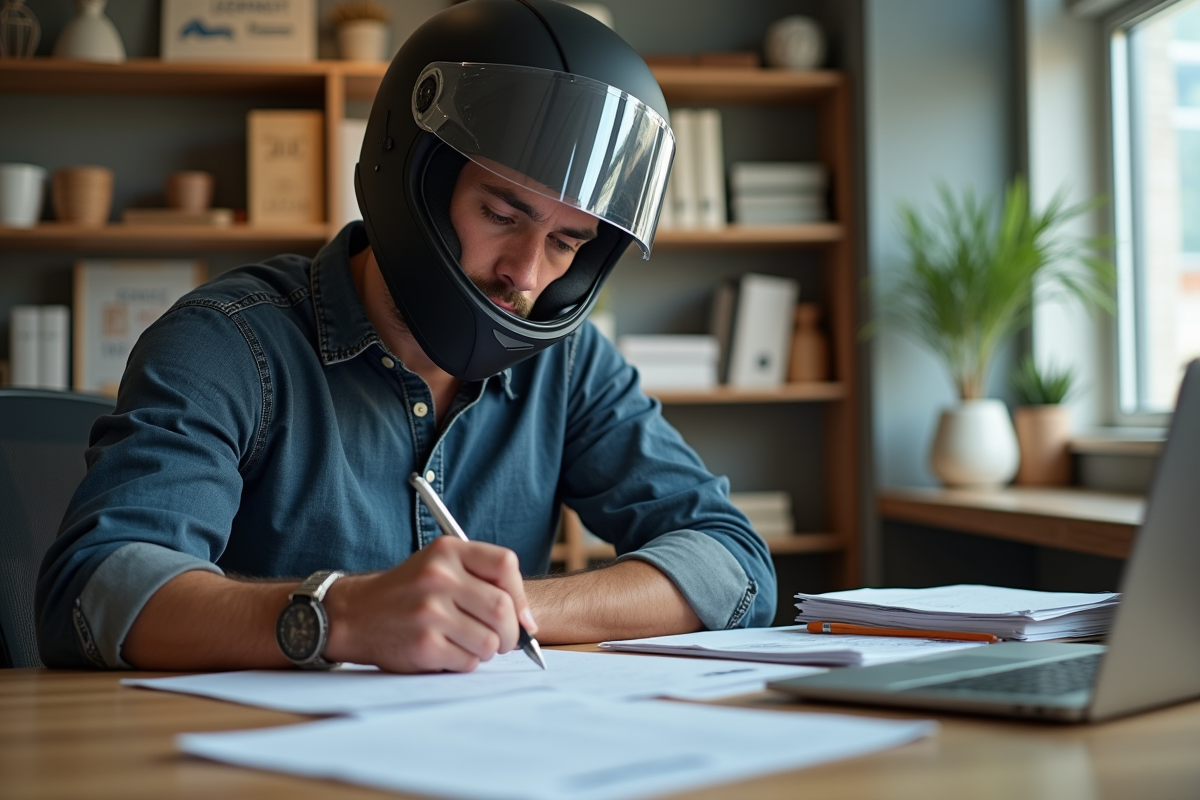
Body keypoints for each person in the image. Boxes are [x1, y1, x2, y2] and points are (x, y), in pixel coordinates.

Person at [35, 0, 776, 673]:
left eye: (567, 243)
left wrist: (507, 614)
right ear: (416, 179)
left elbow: (733, 563)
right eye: (503, 214)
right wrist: (337, 614)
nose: (526, 273)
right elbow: (94, 589)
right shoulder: (229, 344)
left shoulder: (568, 363)